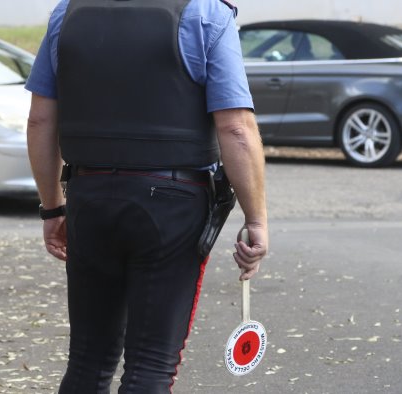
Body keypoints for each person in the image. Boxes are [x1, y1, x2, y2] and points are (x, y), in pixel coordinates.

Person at [25, 0, 268, 392]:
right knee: (151, 366)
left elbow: (39, 119)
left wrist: (53, 207)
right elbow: (237, 128)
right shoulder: (206, 13)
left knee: (88, 361)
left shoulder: (67, 12)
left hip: (89, 196)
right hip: (174, 205)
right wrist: (256, 219)